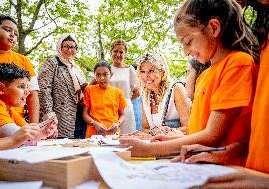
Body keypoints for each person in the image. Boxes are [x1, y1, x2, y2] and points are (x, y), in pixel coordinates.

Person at [119, 0, 259, 167]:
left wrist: (149, 150)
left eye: (188, 42)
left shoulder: (238, 64)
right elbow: (198, 131)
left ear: (214, 28)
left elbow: (213, 135)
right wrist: (176, 138)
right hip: (200, 165)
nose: (186, 53)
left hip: (230, 168)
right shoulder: (205, 75)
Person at [0, 12, 39, 123]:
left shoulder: (24, 61)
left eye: (15, 33)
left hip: (16, 120)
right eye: (8, 30)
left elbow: (32, 94)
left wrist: (35, 125)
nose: (12, 35)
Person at [0, 63, 57, 140]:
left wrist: (45, 128)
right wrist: (41, 132)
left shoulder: (9, 109)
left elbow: (25, 131)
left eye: (27, 87)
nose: (28, 92)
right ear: (0, 89)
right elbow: (19, 137)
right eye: (21, 87)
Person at [38, 34, 87, 138]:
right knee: (61, 146)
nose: (70, 50)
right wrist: (49, 115)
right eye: (66, 46)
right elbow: (44, 89)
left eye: (73, 47)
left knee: (78, 148)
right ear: (60, 47)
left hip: (79, 114)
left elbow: (84, 89)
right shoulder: (52, 63)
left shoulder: (76, 68)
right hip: (60, 115)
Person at [133, 52, 190, 138]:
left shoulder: (176, 89)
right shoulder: (145, 95)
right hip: (155, 145)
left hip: (176, 146)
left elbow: (188, 128)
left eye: (151, 71)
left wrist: (162, 133)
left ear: (162, 71)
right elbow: (145, 128)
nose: (146, 76)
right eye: (142, 71)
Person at [83, 61, 127, 138]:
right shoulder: (89, 90)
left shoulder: (118, 92)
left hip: (113, 134)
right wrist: (94, 123)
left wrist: (117, 124)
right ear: (95, 76)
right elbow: (84, 114)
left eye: (105, 74)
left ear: (111, 75)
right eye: (98, 75)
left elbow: (122, 115)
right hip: (93, 134)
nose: (102, 78)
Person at [109, 39, 139, 134]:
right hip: (109, 107)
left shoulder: (129, 69)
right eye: (115, 51)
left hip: (126, 108)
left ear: (125, 54)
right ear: (111, 52)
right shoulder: (106, 69)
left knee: (127, 137)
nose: (118, 54)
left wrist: (126, 101)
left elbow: (137, 92)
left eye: (121, 52)